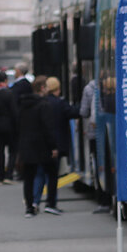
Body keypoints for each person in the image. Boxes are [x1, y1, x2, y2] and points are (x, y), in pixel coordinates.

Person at [38, 77, 79, 215]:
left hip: (43, 144)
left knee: (42, 175)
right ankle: (51, 202)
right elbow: (73, 112)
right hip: (57, 144)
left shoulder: (43, 102)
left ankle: (35, 202)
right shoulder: (60, 103)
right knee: (53, 176)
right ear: (58, 88)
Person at [17, 76, 50, 217]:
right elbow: (46, 126)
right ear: (42, 88)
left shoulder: (22, 105)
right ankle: (43, 202)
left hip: (25, 144)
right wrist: (52, 145)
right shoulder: (42, 105)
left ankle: (29, 206)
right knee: (43, 174)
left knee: (28, 178)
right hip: (40, 144)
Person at [0, 71, 18, 185]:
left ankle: (0, 175)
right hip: (9, 126)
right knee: (12, 151)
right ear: (6, 81)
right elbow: (14, 112)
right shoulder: (10, 94)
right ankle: (9, 174)